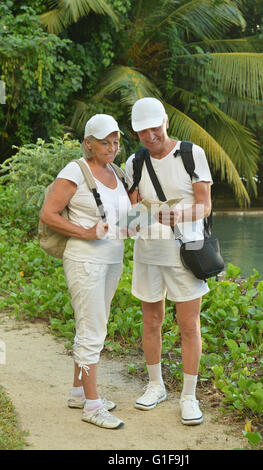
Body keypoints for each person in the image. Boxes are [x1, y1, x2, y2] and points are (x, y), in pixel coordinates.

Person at [125, 97, 213, 426]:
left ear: (165, 122)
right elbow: (132, 212)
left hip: (185, 251)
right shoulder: (135, 162)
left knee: (189, 325)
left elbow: (204, 205)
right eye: (141, 131)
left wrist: (175, 214)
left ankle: (189, 396)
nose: (149, 136)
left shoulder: (191, 154)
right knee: (151, 322)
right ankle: (155, 385)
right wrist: (131, 220)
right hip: (148, 252)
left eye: (153, 128)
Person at [40, 114, 131, 429]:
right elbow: (49, 214)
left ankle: (79, 392)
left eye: (116, 141)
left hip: (111, 259)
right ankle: (93, 406)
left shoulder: (116, 172)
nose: (111, 147)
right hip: (84, 260)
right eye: (105, 142)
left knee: (95, 323)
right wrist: (86, 232)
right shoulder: (74, 171)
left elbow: (120, 218)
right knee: (92, 329)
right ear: (88, 142)